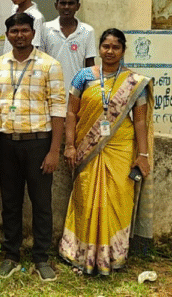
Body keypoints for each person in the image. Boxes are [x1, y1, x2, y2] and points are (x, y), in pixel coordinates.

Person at [59, 29, 153, 275]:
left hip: (121, 147)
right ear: (99, 49)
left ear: (123, 50)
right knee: (86, 194)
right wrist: (69, 145)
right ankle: (80, 254)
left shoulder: (134, 82)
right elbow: (71, 113)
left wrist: (142, 155)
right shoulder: (83, 77)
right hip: (86, 147)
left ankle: (113, 255)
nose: (110, 52)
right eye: (106, 46)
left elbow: (140, 122)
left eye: (116, 47)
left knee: (118, 198)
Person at [0, 13, 66, 281]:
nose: (19, 35)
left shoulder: (50, 65)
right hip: (6, 144)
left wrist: (54, 150)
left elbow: (58, 108)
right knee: (10, 203)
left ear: (33, 34)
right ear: (8, 35)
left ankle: (41, 258)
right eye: (14, 31)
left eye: (24, 30)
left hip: (38, 144)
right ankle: (11, 255)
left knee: (41, 203)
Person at [40, 0, 96, 87]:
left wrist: (91, 89)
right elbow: (40, 61)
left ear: (78, 6)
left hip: (76, 90)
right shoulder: (45, 28)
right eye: (62, 3)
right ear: (56, 5)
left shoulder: (87, 31)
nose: (66, 7)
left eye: (71, 3)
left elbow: (90, 64)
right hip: (51, 88)